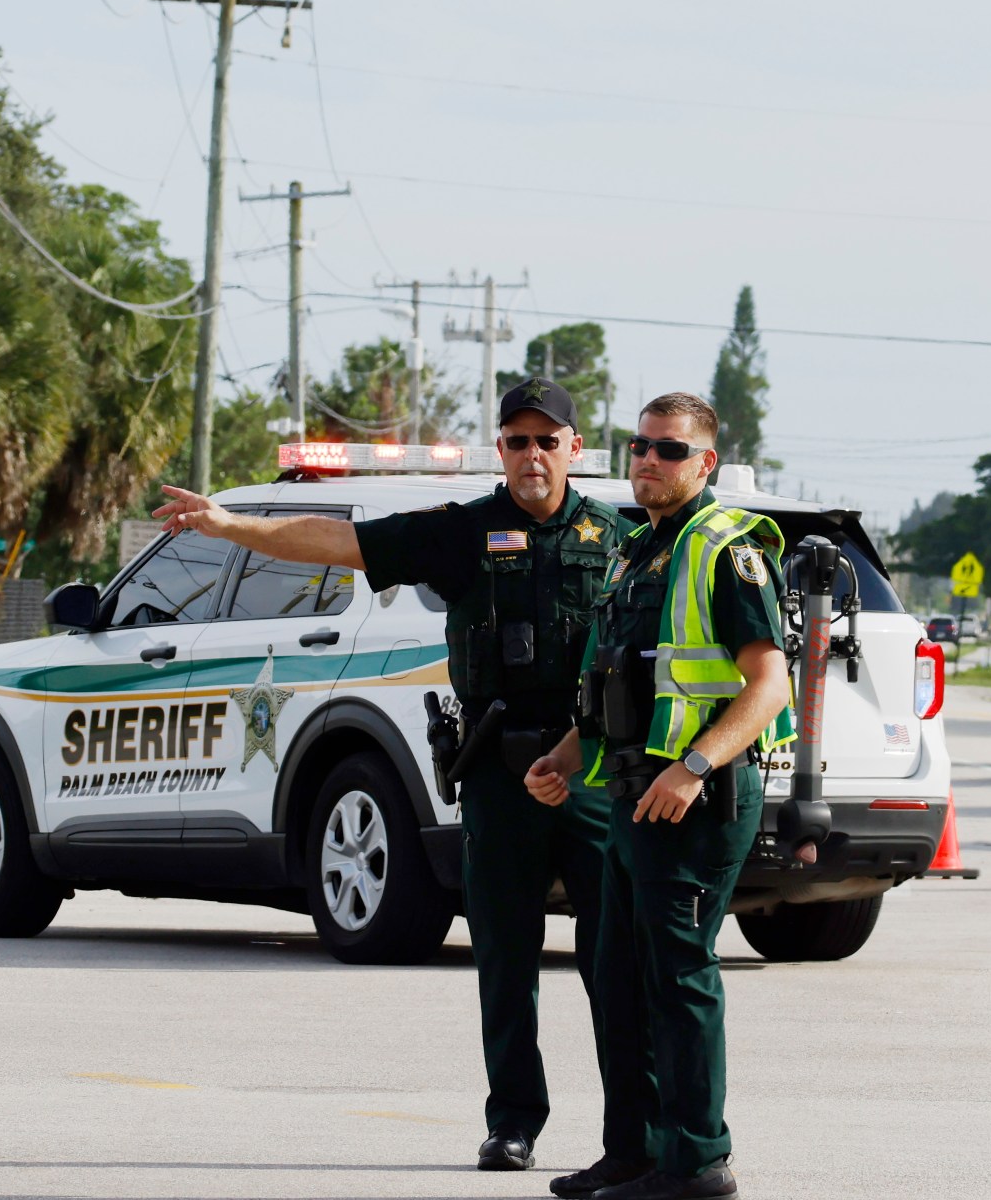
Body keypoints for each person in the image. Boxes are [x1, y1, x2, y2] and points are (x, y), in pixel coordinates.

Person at [150, 380, 631, 1176]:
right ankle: (513, 1121)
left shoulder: (619, 538)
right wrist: (233, 525)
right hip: (498, 770)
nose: (533, 455)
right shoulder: (462, 532)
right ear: (501, 450)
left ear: (575, 449)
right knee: (505, 960)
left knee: (614, 961)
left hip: (587, 772)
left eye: (549, 440)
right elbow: (342, 544)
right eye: (517, 440)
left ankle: (630, 1135)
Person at [525, 392, 793, 1200]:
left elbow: (769, 684)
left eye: (669, 450)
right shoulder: (637, 550)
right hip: (634, 794)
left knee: (677, 976)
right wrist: (566, 758)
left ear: (704, 463)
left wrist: (696, 766)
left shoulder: (725, 548)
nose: (648, 459)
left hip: (697, 800)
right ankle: (635, 1152)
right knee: (616, 977)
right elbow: (623, 686)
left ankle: (698, 1160)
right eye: (638, 445)